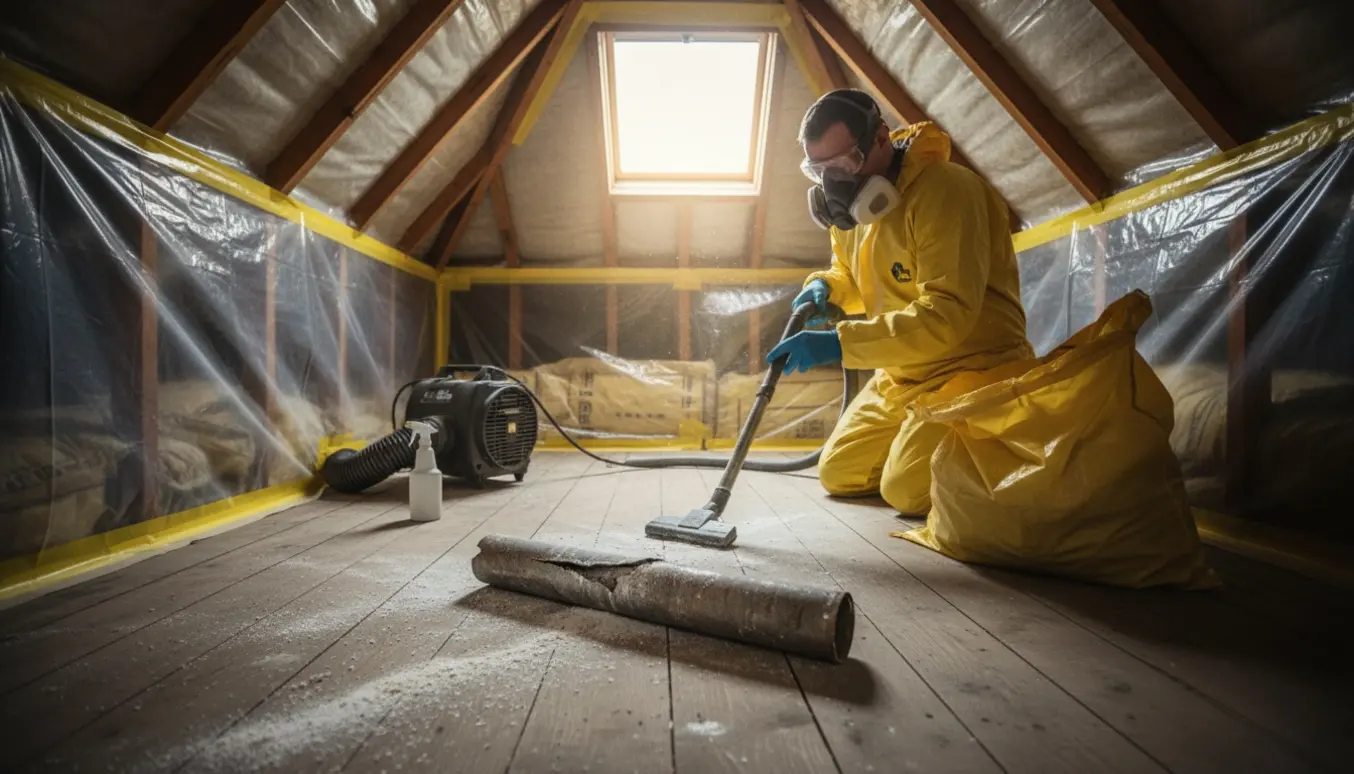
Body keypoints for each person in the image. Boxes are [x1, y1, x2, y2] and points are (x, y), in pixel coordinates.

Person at [766, 89, 1034, 514]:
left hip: (975, 367)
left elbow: (947, 315)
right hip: (902, 375)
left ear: (881, 140)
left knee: (906, 490)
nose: (833, 182)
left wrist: (840, 343)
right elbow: (853, 277)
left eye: (844, 164)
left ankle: (1005, 443)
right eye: (819, 170)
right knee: (839, 473)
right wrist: (827, 288)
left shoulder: (947, 192)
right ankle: (923, 439)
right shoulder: (852, 214)